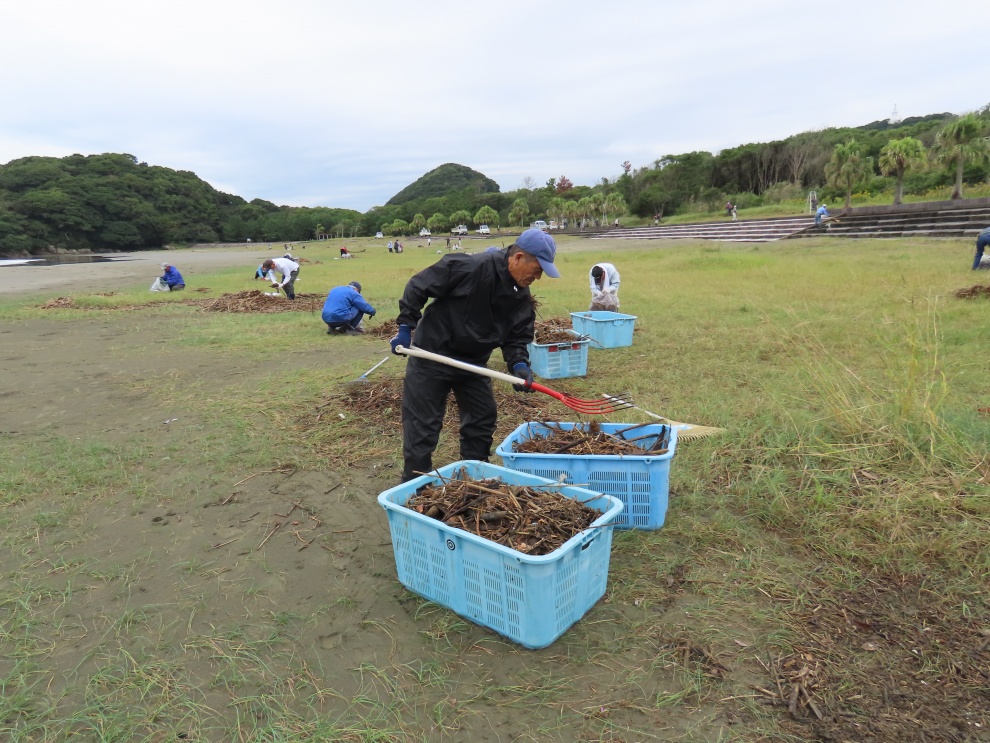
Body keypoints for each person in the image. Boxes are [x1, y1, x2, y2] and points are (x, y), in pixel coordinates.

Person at [389, 228, 560, 483]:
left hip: (473, 364)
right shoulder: (470, 267)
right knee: (422, 425)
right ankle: (415, 485)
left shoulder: (520, 297)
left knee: (482, 418)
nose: (538, 277)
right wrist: (405, 326)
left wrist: (519, 363)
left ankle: (475, 480)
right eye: (537, 269)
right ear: (518, 258)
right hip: (433, 355)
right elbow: (419, 285)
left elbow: (516, 337)